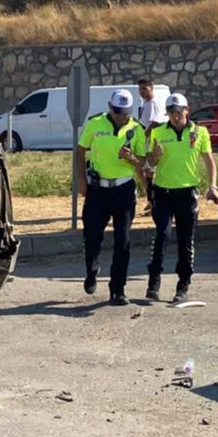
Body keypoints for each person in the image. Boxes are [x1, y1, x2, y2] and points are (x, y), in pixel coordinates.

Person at [143, 93, 218, 304]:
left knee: (186, 241)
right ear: (167, 113)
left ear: (187, 110)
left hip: (187, 193)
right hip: (163, 192)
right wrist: (155, 156)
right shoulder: (158, 132)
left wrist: (213, 186)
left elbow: (209, 160)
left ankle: (183, 285)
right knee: (162, 236)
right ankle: (154, 281)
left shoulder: (199, 132)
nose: (176, 116)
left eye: (179, 112)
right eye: (171, 113)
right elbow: (149, 164)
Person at [75, 88, 147, 306]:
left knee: (122, 241)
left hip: (123, 190)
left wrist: (131, 157)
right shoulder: (95, 124)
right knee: (92, 237)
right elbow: (79, 151)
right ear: (109, 107)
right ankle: (92, 270)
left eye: (124, 112)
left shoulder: (137, 129)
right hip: (97, 189)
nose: (120, 116)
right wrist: (81, 181)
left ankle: (118, 289)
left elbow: (142, 162)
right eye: (117, 111)